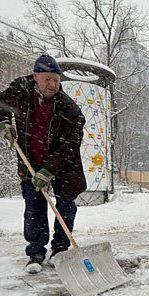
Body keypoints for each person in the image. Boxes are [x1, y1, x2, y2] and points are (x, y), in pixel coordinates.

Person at [0, 54, 87, 274]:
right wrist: (3, 123)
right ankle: (36, 253)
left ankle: (60, 250)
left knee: (66, 207)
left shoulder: (70, 109)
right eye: (47, 79)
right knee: (34, 208)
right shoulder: (20, 90)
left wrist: (48, 170)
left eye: (56, 80)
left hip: (64, 166)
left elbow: (70, 145)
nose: (52, 84)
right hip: (30, 161)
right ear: (35, 76)